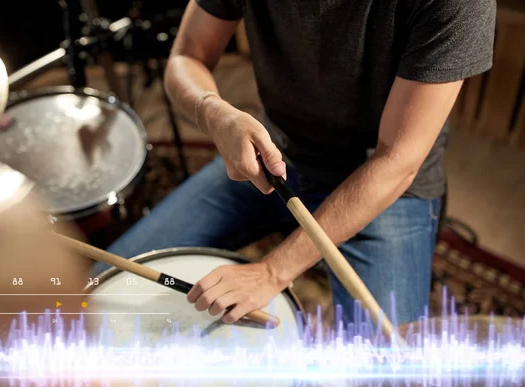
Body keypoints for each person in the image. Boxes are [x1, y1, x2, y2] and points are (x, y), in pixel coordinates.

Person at [95, 0, 496, 327]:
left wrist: (272, 272)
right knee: (102, 285)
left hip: (388, 187)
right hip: (276, 156)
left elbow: (398, 159)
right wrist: (215, 113)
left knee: (382, 370)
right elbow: (187, 56)